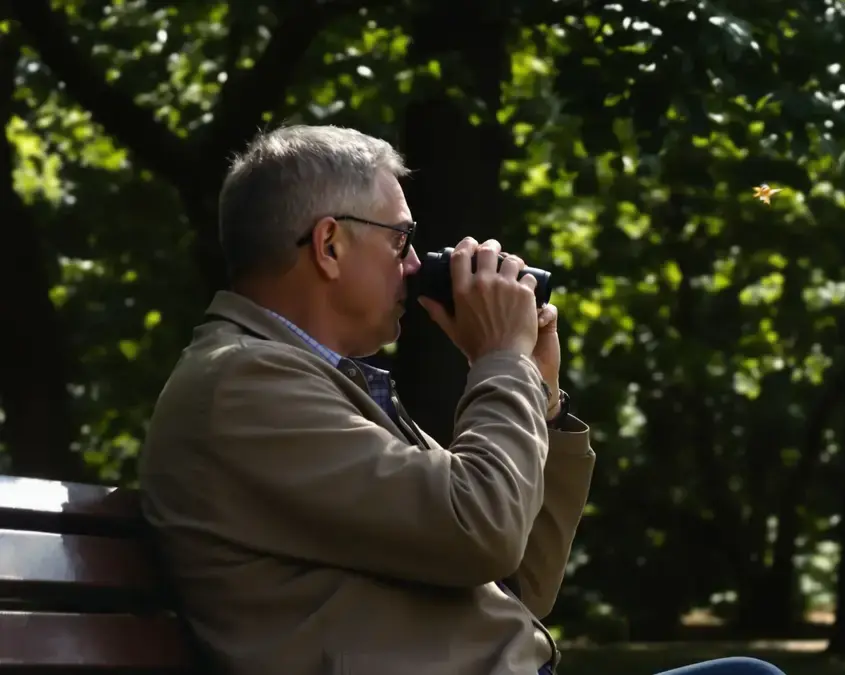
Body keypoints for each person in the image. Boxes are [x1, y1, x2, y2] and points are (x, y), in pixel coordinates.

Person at [139, 124, 784, 675]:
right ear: (329, 245)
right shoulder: (244, 387)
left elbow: (518, 585)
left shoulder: (317, 381)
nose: (417, 263)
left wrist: (543, 400)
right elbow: (483, 531)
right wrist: (500, 361)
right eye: (400, 239)